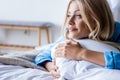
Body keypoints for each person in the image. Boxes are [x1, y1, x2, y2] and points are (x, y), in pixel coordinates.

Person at [35, 0, 120, 78]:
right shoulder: (70, 33)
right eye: (68, 15)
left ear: (97, 19)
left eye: (79, 16)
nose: (69, 22)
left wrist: (81, 53)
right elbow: (43, 55)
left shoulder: (117, 31)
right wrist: (50, 66)